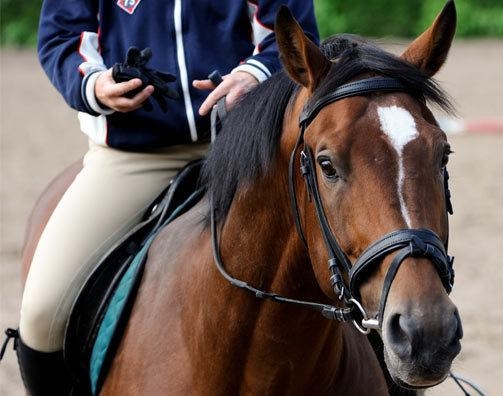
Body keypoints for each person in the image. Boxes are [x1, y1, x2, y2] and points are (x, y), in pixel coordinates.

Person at [16, 1, 318, 394]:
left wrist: (254, 73)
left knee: (359, 258)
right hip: (135, 156)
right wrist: (95, 84)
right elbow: (62, 35)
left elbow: (296, 36)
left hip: (252, 145)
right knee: (41, 314)